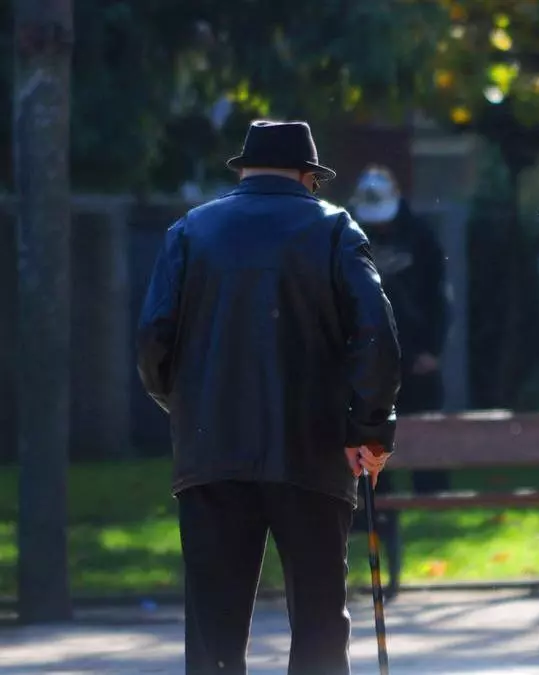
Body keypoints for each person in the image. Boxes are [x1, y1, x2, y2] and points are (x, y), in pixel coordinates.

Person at [136, 120, 403, 675]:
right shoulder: (334, 228)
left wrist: (187, 408)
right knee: (319, 622)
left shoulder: (190, 231)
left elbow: (152, 342)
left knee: (213, 631)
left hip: (211, 450)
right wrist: (369, 429)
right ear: (309, 177)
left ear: (245, 170)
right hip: (313, 448)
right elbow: (376, 335)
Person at [349, 165, 451, 496]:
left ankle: (433, 500)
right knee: (371, 434)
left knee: (427, 437)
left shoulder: (420, 236)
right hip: (367, 357)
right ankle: (378, 506)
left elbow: (438, 296)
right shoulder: (348, 233)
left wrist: (432, 349)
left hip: (416, 353)